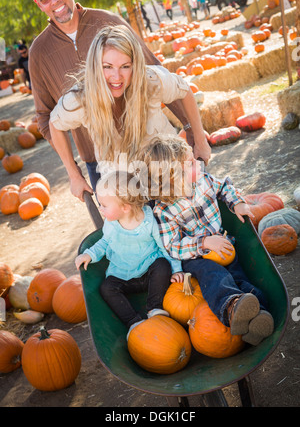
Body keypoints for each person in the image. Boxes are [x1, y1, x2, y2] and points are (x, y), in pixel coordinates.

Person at [29, 0, 210, 198]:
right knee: (131, 227)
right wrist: (74, 172)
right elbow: (47, 119)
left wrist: (191, 128)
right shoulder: (39, 53)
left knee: (178, 211)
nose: (54, 1)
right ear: (39, 4)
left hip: (151, 147)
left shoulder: (108, 22)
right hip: (101, 161)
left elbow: (155, 73)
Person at [138, 134, 274, 346]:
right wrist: (203, 243)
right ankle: (230, 308)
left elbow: (225, 187)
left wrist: (237, 203)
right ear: (172, 179)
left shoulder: (204, 181)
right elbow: (172, 245)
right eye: (191, 163)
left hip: (223, 244)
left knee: (239, 279)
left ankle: (257, 319)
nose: (198, 164)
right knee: (215, 276)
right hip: (196, 257)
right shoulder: (164, 210)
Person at [49, 25, 209, 198]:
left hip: (169, 178)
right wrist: (74, 175)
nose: (116, 77)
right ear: (95, 67)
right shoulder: (81, 99)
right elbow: (55, 125)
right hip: (125, 192)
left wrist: (200, 140)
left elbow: (185, 90)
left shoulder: (151, 81)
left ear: (135, 65)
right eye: (107, 66)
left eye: (125, 66)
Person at [75, 170, 181, 337]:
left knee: (162, 265)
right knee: (107, 288)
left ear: (125, 207)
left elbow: (164, 247)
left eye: (104, 205)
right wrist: (89, 254)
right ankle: (133, 321)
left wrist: (176, 270)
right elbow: (104, 242)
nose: (101, 209)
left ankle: (155, 308)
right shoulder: (111, 224)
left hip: (149, 273)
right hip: (122, 276)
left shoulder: (149, 221)